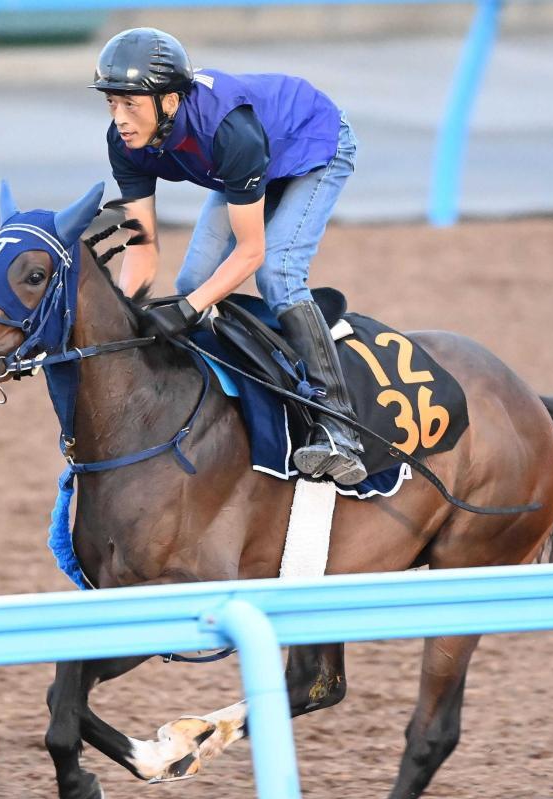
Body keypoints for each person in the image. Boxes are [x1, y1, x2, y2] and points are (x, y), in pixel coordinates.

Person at [90, 27, 367, 486]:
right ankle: (246, 376)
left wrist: (188, 310)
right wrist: (124, 315)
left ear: (171, 103)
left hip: (313, 143)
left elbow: (251, 252)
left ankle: (339, 424)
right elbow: (141, 245)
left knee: (278, 274)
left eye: (130, 104)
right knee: (192, 280)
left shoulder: (228, 131)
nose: (119, 117)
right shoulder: (125, 142)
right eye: (112, 103)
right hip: (248, 167)